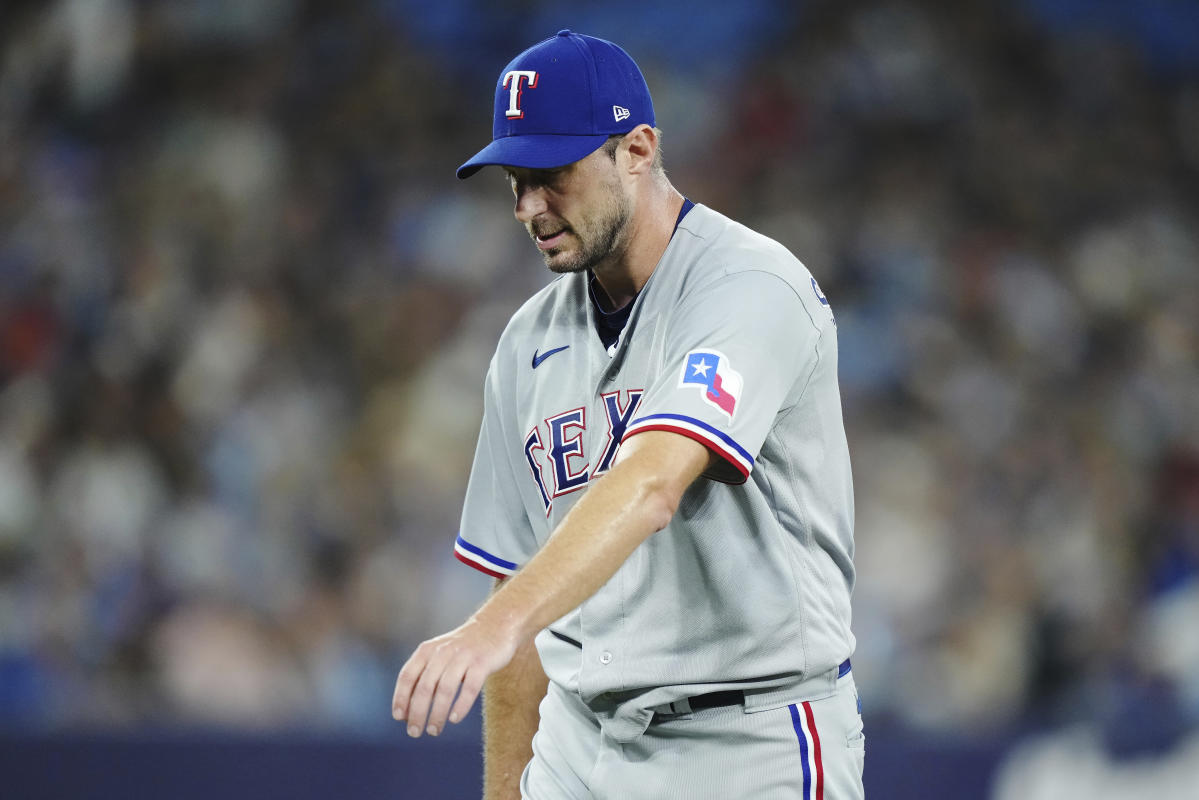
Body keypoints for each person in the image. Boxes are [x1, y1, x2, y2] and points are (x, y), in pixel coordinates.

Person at [392, 30, 864, 799]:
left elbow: (650, 485)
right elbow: (517, 583)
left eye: (551, 175)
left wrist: (494, 624)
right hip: (584, 744)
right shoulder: (526, 343)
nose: (528, 207)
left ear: (637, 149)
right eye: (514, 180)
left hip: (750, 740)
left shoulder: (748, 286)